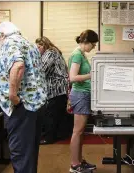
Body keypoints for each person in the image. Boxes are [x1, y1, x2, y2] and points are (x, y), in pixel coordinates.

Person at [0, 21, 47, 173]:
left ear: (2, 35)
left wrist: (13, 96)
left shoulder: (9, 43)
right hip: (35, 104)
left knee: (20, 152)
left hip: (21, 106)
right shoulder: (28, 44)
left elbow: (18, 66)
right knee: (29, 152)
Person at [68, 29, 99, 173]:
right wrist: (91, 75)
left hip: (83, 94)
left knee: (81, 132)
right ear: (86, 42)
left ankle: (79, 161)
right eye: (93, 44)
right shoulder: (76, 55)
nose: (93, 47)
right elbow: (72, 78)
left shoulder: (81, 54)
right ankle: (75, 165)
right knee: (77, 132)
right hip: (80, 95)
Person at [35, 36, 71, 144]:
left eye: (38, 47)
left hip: (55, 88)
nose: (37, 50)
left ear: (43, 45)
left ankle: (48, 138)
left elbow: (42, 70)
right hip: (60, 88)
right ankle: (60, 135)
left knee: (50, 114)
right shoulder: (55, 52)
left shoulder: (50, 53)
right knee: (57, 114)